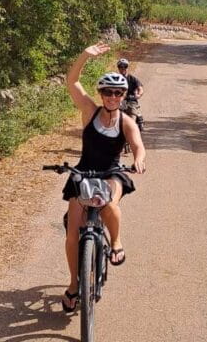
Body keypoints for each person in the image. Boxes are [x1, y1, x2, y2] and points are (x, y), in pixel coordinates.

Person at [60, 42, 146, 312]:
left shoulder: (126, 122)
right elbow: (72, 81)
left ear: (123, 95)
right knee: (73, 233)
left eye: (117, 93)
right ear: (101, 94)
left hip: (112, 172)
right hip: (83, 171)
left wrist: (139, 160)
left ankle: (116, 242)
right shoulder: (90, 111)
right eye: (107, 92)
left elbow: (138, 145)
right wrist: (85, 54)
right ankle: (74, 285)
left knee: (108, 202)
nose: (111, 97)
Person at [116, 58, 145, 132]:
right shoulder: (115, 79)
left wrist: (138, 94)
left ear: (127, 67)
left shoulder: (132, 78)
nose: (122, 68)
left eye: (125, 66)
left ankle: (132, 136)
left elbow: (140, 88)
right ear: (118, 67)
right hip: (118, 101)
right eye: (120, 66)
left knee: (132, 121)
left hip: (131, 101)